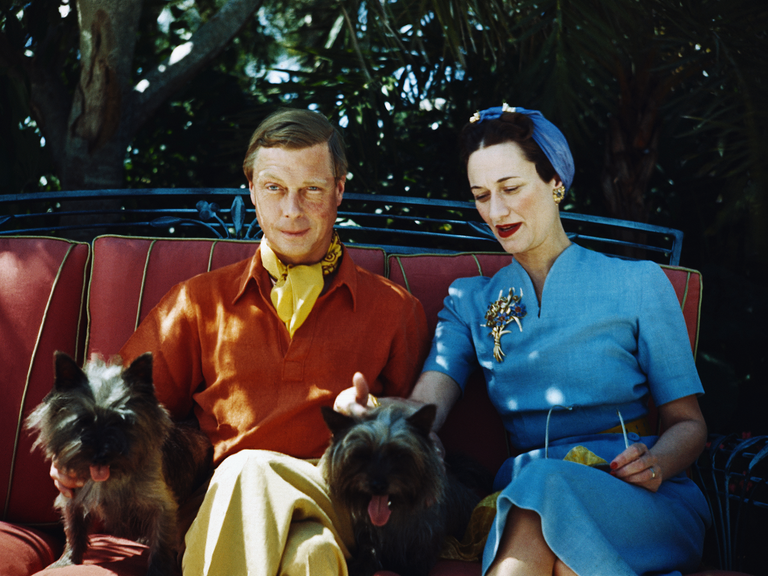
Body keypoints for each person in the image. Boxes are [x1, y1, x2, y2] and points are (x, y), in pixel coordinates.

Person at [46, 108, 430, 576]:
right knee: (311, 554)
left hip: (340, 494)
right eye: (274, 188)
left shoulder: (396, 309)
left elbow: (420, 444)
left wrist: (381, 411)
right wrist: (75, 459)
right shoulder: (198, 302)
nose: (292, 209)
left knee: (251, 469)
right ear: (250, 189)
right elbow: (120, 407)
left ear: (339, 190)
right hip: (221, 502)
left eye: (311, 189)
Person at [338, 105, 710, 576]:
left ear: (555, 181)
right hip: (524, 494)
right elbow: (428, 404)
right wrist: (379, 413)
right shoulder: (469, 300)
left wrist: (656, 462)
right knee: (546, 508)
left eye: (511, 189)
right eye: (481, 195)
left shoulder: (639, 283)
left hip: (639, 496)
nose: (496, 211)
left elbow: (689, 424)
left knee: (547, 497)